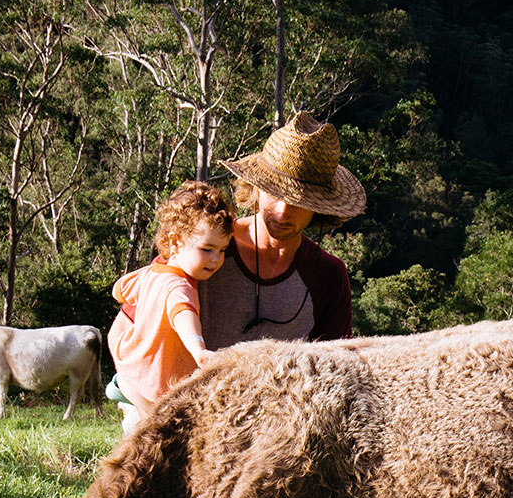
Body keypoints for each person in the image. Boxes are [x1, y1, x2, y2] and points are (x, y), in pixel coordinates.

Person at [197, 110, 366, 350]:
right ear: (256, 188)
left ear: (319, 208)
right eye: (274, 194)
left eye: (299, 203)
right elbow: (152, 298)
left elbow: (337, 361)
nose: (283, 212)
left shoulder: (328, 276)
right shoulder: (205, 244)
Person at [107, 181, 233, 432]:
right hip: (152, 384)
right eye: (207, 249)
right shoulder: (178, 286)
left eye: (222, 250)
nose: (215, 259)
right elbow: (182, 313)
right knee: (158, 434)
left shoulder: (152, 272)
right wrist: (199, 350)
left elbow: (120, 290)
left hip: (130, 369)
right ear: (175, 243)